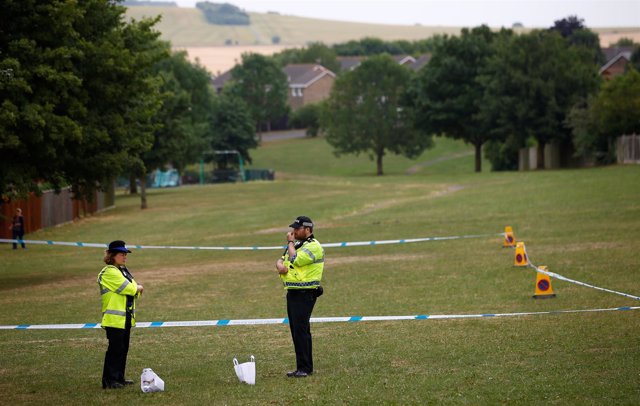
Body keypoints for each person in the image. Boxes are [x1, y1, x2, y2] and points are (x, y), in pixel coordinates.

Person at [275, 215, 325, 378]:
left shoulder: (314, 246)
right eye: (293, 228)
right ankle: (301, 367)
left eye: (297, 228)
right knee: (296, 331)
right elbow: (281, 259)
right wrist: (280, 266)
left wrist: (289, 243)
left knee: (301, 331)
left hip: (306, 293)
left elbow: (294, 259)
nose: (294, 231)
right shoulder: (298, 244)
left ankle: (305, 368)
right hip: (293, 293)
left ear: (308, 230)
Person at [97, 240, 143, 389]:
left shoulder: (123, 270)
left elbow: (134, 289)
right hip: (114, 319)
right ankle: (109, 381)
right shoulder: (109, 272)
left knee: (123, 349)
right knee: (115, 349)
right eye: (121, 254)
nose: (125, 256)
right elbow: (131, 288)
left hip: (126, 317)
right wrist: (136, 288)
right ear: (112, 255)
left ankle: (119, 378)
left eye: (125, 254)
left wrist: (136, 288)